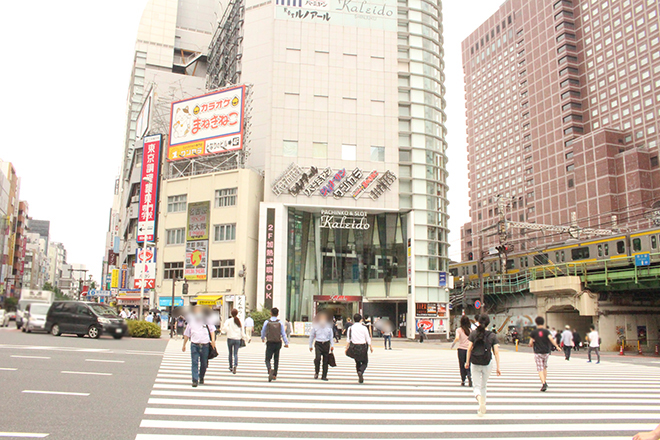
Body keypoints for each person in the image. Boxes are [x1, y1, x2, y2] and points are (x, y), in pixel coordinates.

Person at [465, 314, 500, 417]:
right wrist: (498, 367)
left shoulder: (473, 334)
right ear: (488, 323)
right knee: (483, 386)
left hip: (475, 362)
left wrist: (467, 362)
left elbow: (469, 349)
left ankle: (479, 400)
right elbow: (496, 352)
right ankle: (483, 405)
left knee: (476, 386)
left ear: (478, 322)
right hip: (487, 362)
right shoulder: (492, 335)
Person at [182, 308, 216, 387]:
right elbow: (187, 334)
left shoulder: (207, 320)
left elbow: (212, 330)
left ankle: (201, 377)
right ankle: (194, 379)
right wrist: (184, 345)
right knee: (194, 362)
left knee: (204, 363)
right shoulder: (191, 322)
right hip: (194, 344)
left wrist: (213, 341)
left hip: (205, 344)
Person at [529, 316, 562, 392]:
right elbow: (551, 339)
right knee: (544, 367)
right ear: (543, 323)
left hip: (538, 352)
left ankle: (543, 383)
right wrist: (557, 346)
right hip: (546, 352)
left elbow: (530, 343)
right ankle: (545, 381)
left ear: (536, 322)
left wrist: (532, 344)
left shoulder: (534, 332)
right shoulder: (547, 332)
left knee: (540, 369)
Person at [261, 308, 289, 382]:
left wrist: (262, 337)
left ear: (270, 313)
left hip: (270, 342)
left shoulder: (267, 322)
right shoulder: (280, 322)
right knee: (276, 359)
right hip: (277, 342)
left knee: (267, 358)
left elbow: (263, 331)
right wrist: (286, 342)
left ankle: (269, 369)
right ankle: (274, 375)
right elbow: (283, 333)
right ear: (278, 314)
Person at [345, 313, 373, 383]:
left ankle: (359, 373)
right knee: (365, 362)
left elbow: (348, 339)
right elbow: (367, 338)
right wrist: (371, 346)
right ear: (361, 320)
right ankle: (361, 371)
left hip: (354, 347)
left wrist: (346, 348)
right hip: (363, 346)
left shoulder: (350, 328)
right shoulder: (364, 328)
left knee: (357, 362)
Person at [309, 312, 334, 381]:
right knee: (318, 358)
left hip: (326, 343)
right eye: (321, 318)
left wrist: (332, 345)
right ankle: (316, 372)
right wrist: (310, 345)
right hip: (318, 343)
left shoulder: (329, 326)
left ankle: (324, 376)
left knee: (325, 360)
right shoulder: (315, 326)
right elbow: (312, 336)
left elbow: (331, 336)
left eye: (324, 318)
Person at [222, 308, 246, 374]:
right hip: (237, 339)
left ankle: (230, 366)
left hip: (230, 338)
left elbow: (224, 328)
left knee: (230, 353)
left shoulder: (229, 321)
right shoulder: (239, 321)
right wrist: (244, 337)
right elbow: (242, 330)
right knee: (235, 353)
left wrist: (227, 330)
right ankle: (235, 365)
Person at [451, 315, 473, 387]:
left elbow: (457, 338)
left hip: (461, 350)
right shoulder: (471, 331)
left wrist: (453, 344)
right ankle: (469, 375)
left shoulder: (459, 330)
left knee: (461, 365)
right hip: (469, 350)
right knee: (468, 363)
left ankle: (463, 380)